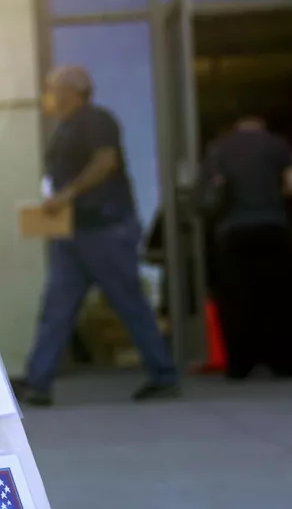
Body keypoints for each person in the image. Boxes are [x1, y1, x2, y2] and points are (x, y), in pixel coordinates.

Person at [18, 65, 180, 406]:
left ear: (72, 91)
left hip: (105, 229)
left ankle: (164, 376)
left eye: (54, 88)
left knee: (129, 302)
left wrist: (67, 194)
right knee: (56, 308)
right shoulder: (64, 128)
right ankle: (38, 382)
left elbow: (105, 162)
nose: (50, 94)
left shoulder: (96, 120)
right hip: (73, 233)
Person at [199, 115, 292, 379]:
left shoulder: (219, 148)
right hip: (272, 226)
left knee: (236, 298)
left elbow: (208, 189)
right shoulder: (277, 144)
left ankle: (239, 364)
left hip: (232, 230)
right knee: (277, 296)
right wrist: (274, 195)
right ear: (261, 123)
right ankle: (283, 363)